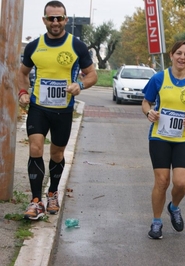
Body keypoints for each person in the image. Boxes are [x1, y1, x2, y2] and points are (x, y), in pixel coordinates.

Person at [17, 0, 97, 220]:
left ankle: (52, 193)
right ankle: (35, 201)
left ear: (65, 20)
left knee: (57, 153)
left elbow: (92, 75)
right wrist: (23, 92)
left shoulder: (76, 46)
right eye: (51, 18)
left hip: (63, 110)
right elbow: (22, 73)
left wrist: (79, 85)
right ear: (44, 20)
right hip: (38, 108)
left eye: (59, 18)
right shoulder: (34, 46)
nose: (55, 22)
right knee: (35, 147)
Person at [142, 40, 185, 239]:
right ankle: (156, 222)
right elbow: (146, 102)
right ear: (171, 55)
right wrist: (149, 113)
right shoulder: (159, 78)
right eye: (179, 53)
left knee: (180, 183)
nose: (182, 57)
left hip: (183, 138)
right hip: (159, 137)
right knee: (162, 181)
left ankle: (174, 207)